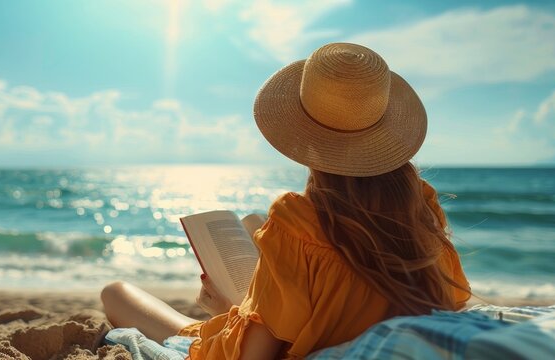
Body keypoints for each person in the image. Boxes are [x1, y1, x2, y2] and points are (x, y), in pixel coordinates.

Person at [101, 42, 471, 359]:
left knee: (116, 293)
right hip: (326, 318)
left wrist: (231, 309)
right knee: (252, 223)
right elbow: (446, 303)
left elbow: (260, 352)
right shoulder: (421, 205)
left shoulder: (296, 217)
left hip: (276, 336)